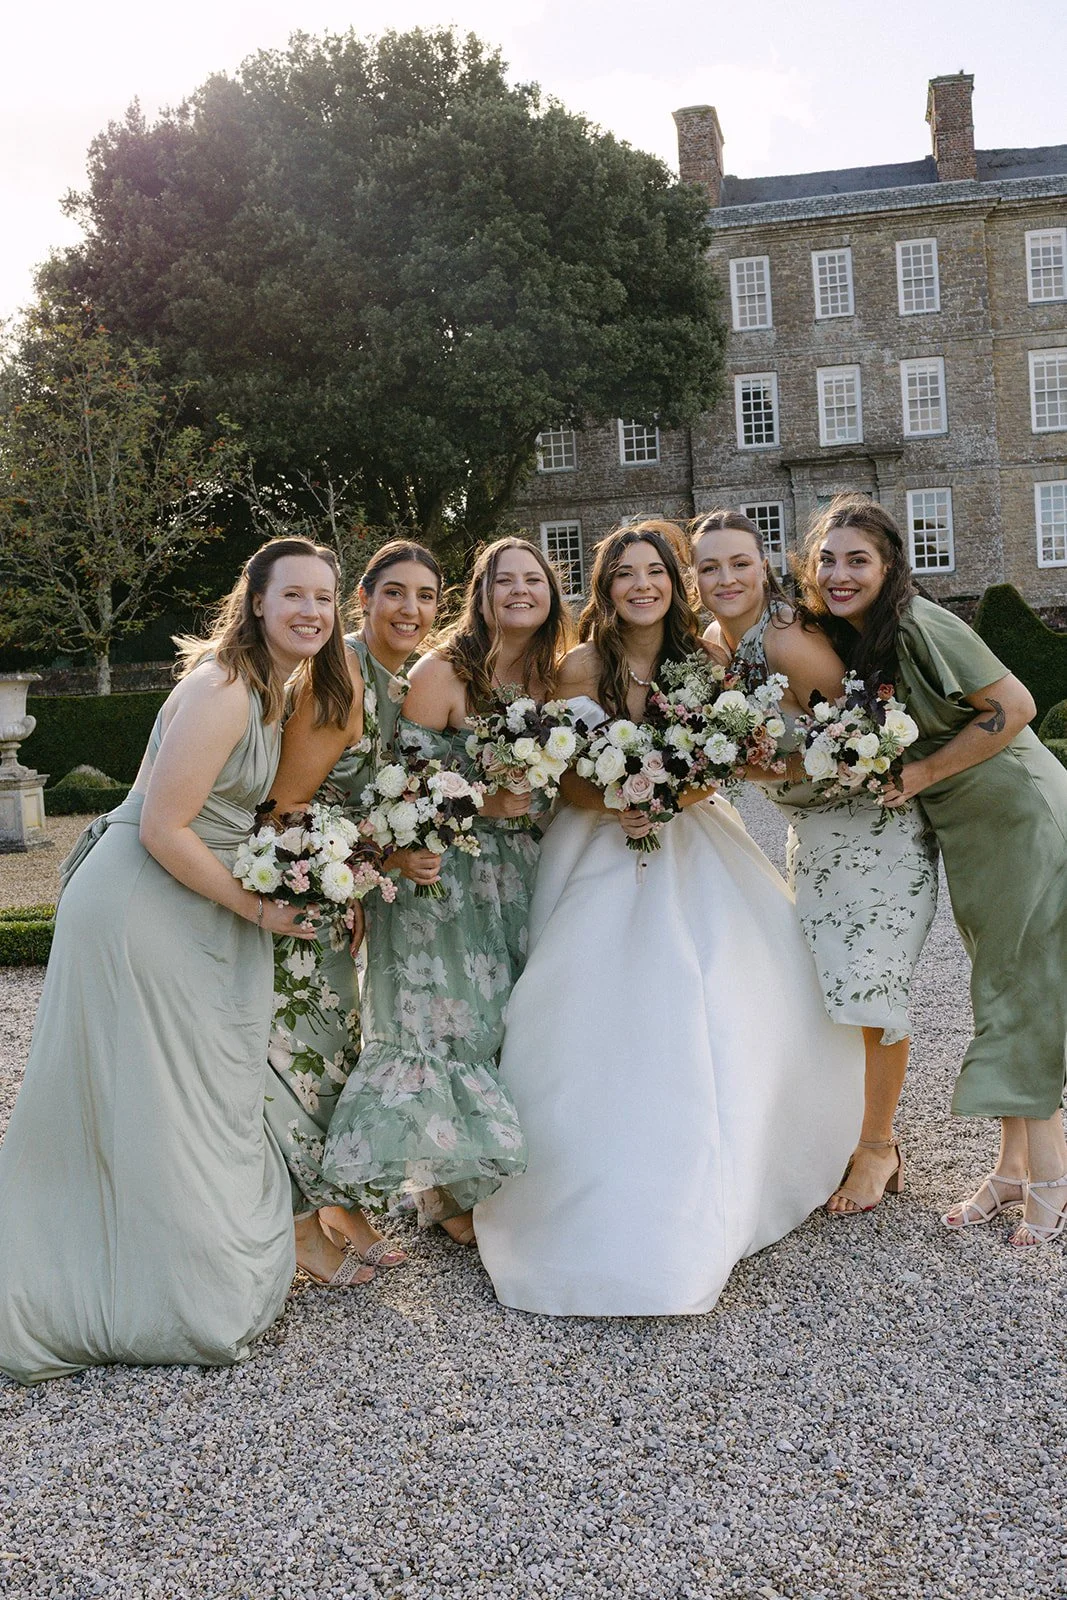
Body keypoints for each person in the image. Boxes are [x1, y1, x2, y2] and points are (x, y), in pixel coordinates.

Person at [473, 523, 864, 1316]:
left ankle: (739, 1162)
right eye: (625, 574)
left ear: (672, 584)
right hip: (598, 845)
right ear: (606, 588)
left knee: (731, 988)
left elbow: (723, 759)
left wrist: (667, 795)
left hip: (692, 839)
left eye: (655, 571)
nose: (641, 585)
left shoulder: (706, 663)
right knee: (595, 1007)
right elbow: (563, 780)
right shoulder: (576, 667)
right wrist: (622, 800)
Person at [0, 538, 352, 1387]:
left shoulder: (276, 689)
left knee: (183, 1096)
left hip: (187, 900)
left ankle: (157, 1274)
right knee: (154, 1097)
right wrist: (258, 906)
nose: (311, 611)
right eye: (293, 595)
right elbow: (164, 828)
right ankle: (130, 1292)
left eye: (325, 599)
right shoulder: (225, 688)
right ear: (257, 602)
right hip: (142, 907)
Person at [799, 494, 1067, 1246]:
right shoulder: (858, 638)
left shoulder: (917, 622)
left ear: (888, 568)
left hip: (1016, 810)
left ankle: (1049, 1171)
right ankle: (1012, 1169)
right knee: (999, 976)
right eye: (827, 559)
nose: (839, 573)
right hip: (974, 825)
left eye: (857, 560)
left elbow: (1013, 704)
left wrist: (919, 775)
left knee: (1019, 980)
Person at [321, 537, 574, 1241]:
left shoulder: (558, 678)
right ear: (481, 594)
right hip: (444, 877)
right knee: (438, 1023)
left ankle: (469, 1182)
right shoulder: (444, 673)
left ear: (551, 593)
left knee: (502, 1021)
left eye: (533, 579)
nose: (519, 591)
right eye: (504, 581)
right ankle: (424, 1191)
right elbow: (395, 783)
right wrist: (482, 806)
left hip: (524, 873)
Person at [694, 509, 938, 1214]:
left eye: (738, 562)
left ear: (763, 565)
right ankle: (850, 1132)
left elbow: (865, 744)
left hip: (874, 830)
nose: (724, 577)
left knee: (870, 989)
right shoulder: (716, 642)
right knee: (825, 990)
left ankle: (878, 1148)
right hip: (813, 835)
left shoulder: (789, 639)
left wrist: (770, 765)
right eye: (708, 566)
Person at [262, 541, 443, 1283]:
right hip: (298, 891)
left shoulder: (402, 681)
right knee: (306, 1052)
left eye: (427, 596)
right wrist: (380, 862)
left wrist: (364, 878)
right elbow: (284, 810)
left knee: (340, 1045)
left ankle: (339, 1207)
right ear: (361, 598)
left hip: (341, 888)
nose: (410, 609)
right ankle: (303, 1227)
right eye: (394, 593)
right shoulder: (338, 681)